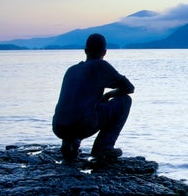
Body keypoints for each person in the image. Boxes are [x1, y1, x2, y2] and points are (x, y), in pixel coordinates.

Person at [52, 33, 134, 162]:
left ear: (85, 51)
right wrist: (108, 94)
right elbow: (129, 88)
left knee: (82, 108)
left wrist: (102, 96)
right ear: (105, 52)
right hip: (81, 125)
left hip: (58, 127)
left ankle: (69, 144)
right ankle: (104, 147)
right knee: (125, 101)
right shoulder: (100, 66)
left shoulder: (71, 70)